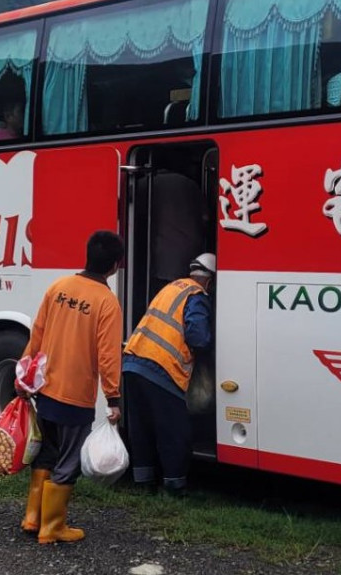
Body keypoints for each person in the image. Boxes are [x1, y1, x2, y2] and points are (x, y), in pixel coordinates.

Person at [16, 230, 125, 544]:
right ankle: (52, 528)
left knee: (47, 454)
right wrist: (114, 398)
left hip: (45, 390)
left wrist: (23, 376)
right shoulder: (106, 302)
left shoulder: (59, 287)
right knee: (69, 460)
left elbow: (36, 335)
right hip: (76, 396)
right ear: (116, 265)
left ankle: (32, 517)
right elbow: (108, 355)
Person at [122, 252, 215, 496]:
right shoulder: (197, 295)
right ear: (210, 281)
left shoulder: (172, 287)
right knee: (174, 430)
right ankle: (174, 486)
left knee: (141, 427)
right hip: (161, 368)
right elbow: (198, 336)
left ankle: (143, 482)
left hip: (132, 362)